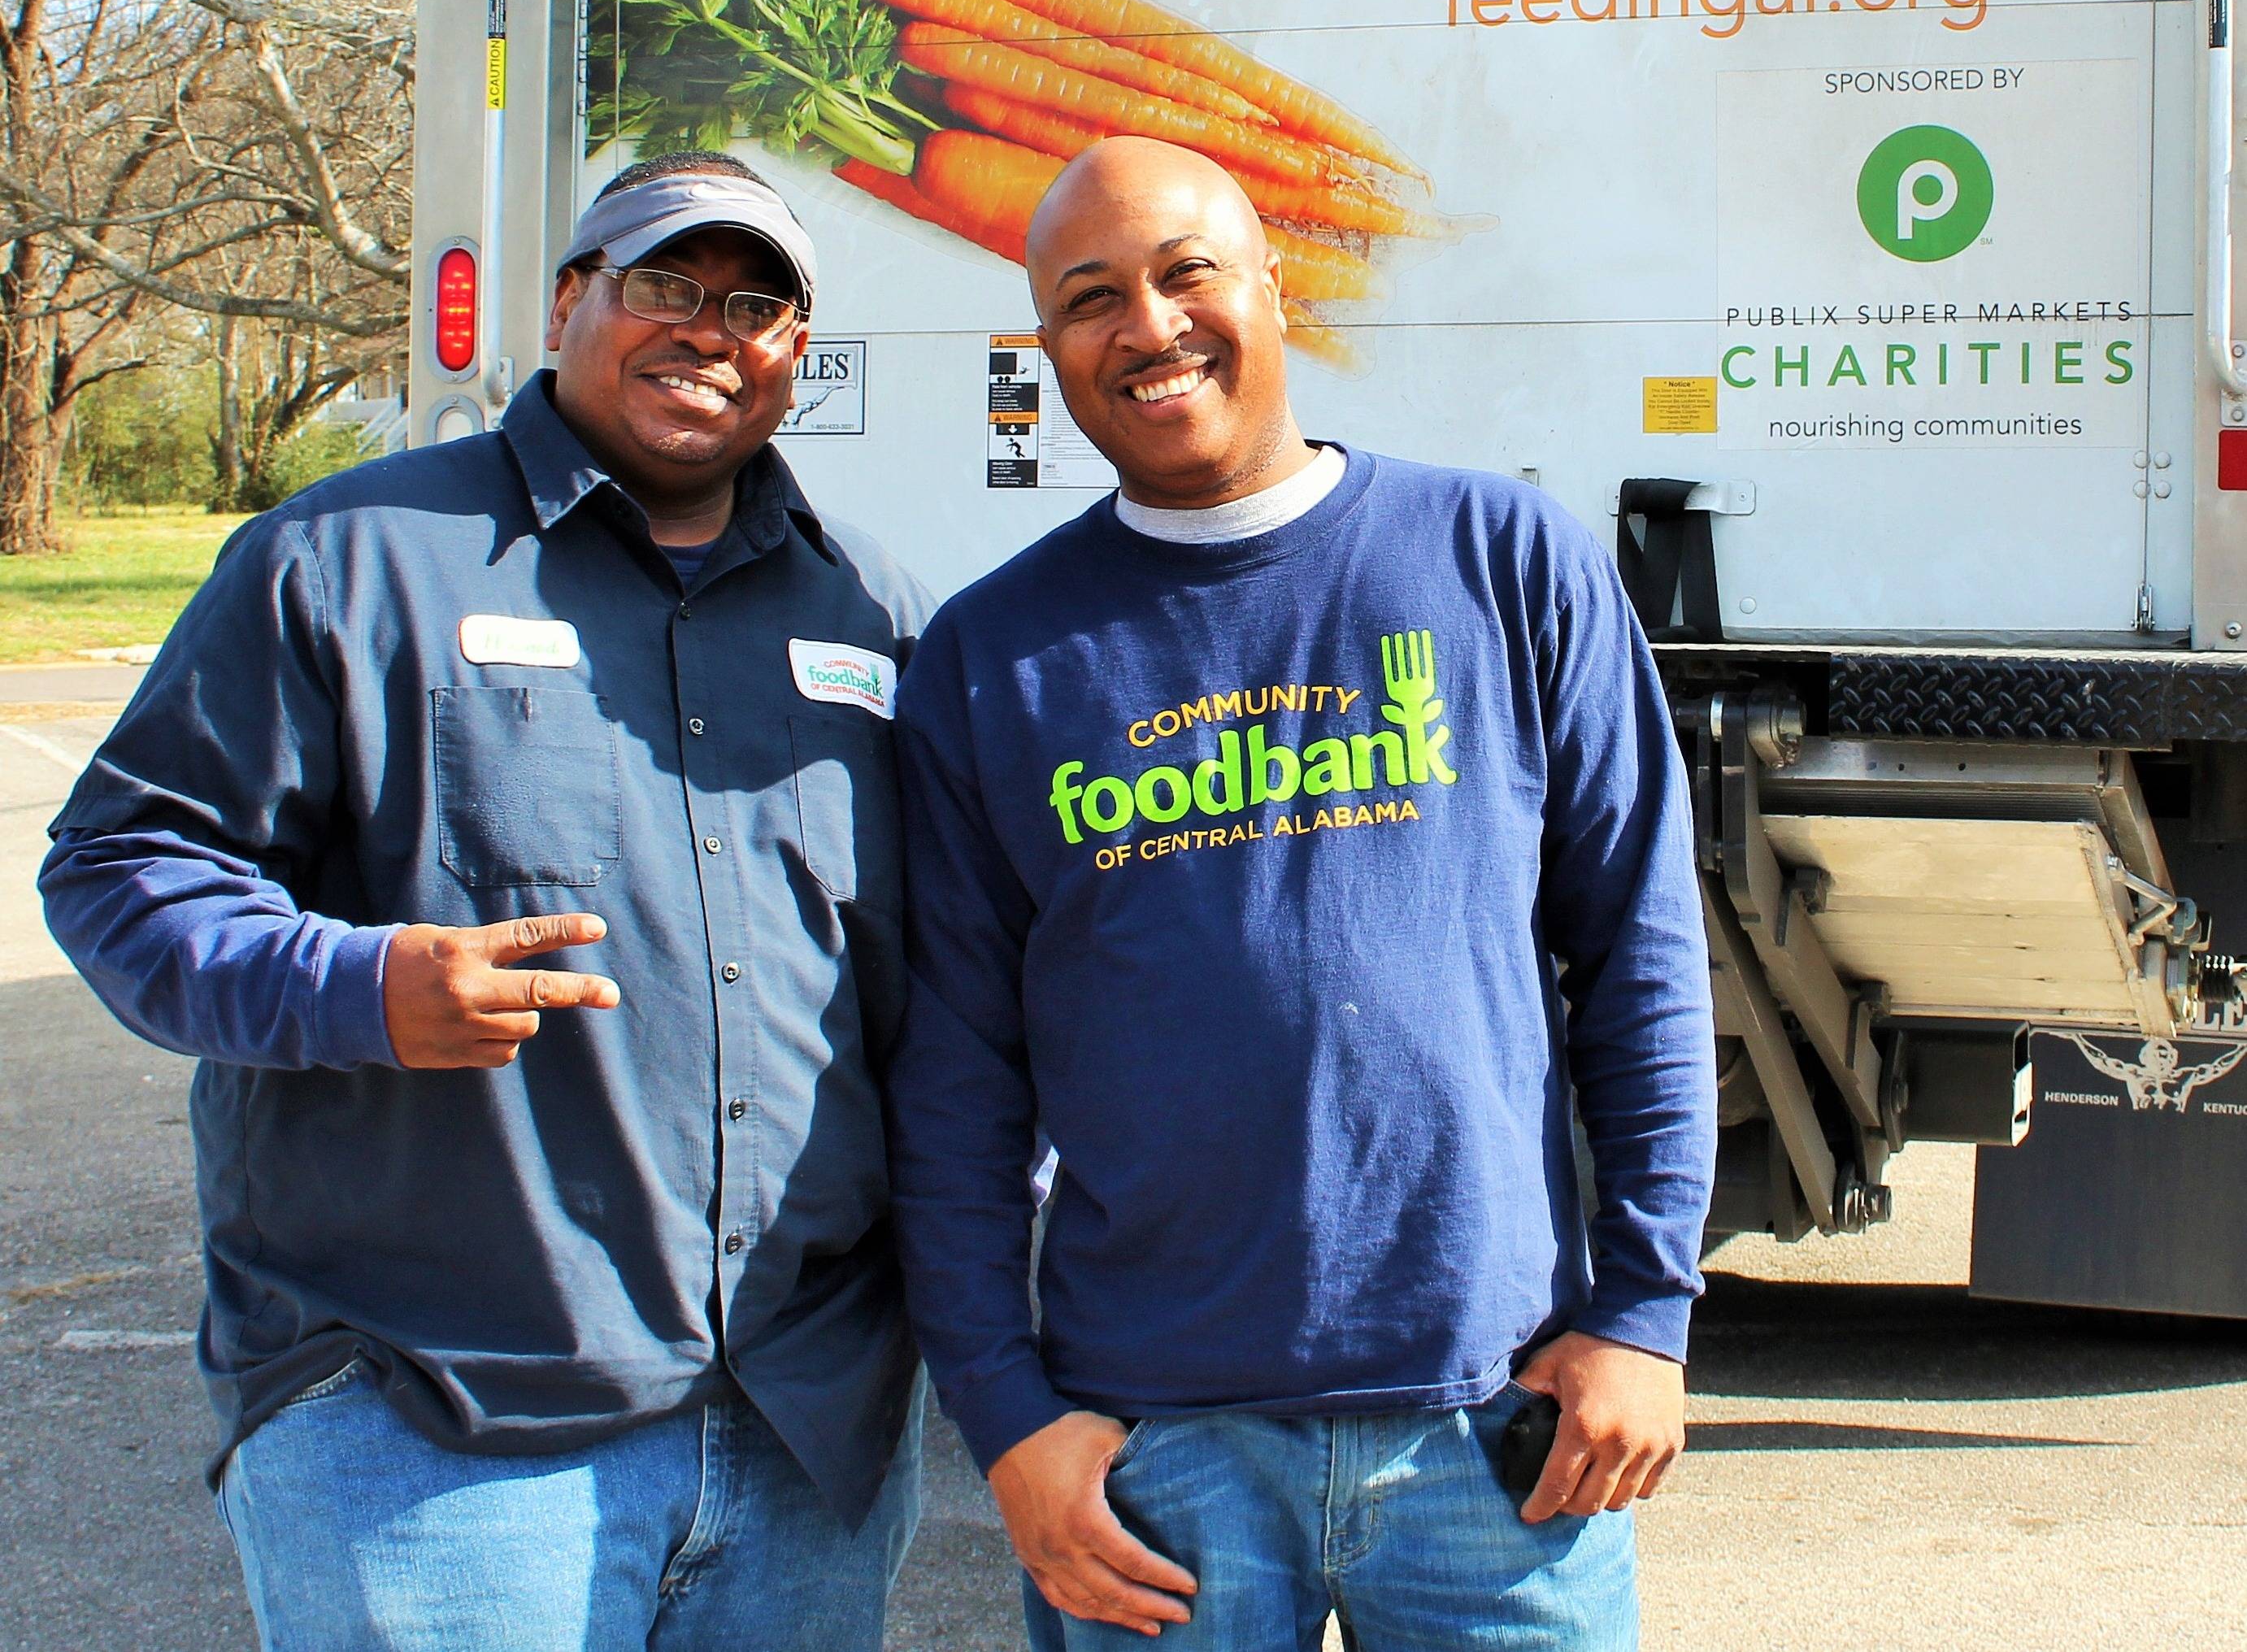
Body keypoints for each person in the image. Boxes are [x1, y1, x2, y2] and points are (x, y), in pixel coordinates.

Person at [41, 154, 927, 1652]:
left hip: (802, 1430)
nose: (711, 331)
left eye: (758, 305)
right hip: (434, 1422)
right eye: (665, 286)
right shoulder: (346, 560)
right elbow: (124, 865)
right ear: (572, 300)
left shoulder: (873, 614)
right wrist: (349, 985)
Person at [884, 138, 1715, 1650]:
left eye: (1187, 270)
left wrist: (1642, 1318)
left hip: (1493, 1433)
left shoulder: (1506, 562)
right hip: (1156, 1456)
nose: (1148, 324)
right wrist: (1007, 1421)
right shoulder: (991, 660)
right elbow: (953, 1078)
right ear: (1051, 346)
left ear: (1276, 284)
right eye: (1089, 298)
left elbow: (1642, 961)